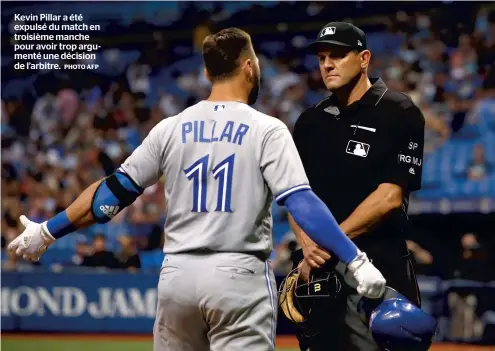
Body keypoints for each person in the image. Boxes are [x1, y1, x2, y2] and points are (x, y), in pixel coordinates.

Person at [8, 27, 386, 351]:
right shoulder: (266, 129)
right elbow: (299, 201)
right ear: (249, 67)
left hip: (178, 278)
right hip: (238, 276)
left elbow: (113, 193)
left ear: (208, 72)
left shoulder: (170, 127)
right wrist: (355, 259)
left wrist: (47, 230)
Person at [288, 22, 426, 351]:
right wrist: (307, 245)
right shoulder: (310, 122)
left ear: (364, 58)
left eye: (337, 55)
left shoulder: (399, 110)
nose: (327, 64)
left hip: (380, 267)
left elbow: (390, 197)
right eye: (322, 57)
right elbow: (294, 195)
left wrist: (330, 242)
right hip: (319, 270)